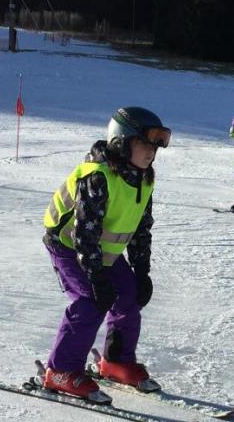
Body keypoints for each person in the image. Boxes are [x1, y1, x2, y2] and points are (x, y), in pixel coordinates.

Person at [42, 107, 171, 401]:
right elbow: (84, 233)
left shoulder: (144, 179)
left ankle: (116, 361)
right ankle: (60, 370)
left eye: (155, 147)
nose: (151, 153)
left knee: (129, 295)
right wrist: (96, 277)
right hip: (68, 245)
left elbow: (141, 230)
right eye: (144, 145)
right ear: (121, 143)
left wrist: (142, 272)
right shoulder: (98, 175)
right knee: (90, 299)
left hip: (102, 251)